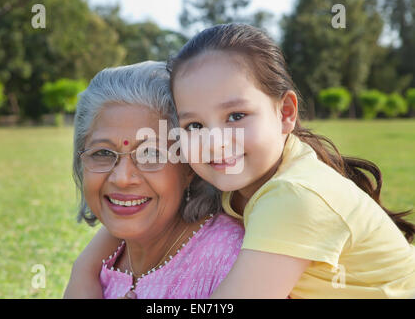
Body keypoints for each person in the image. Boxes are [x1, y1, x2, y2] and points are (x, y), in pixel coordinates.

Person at [66, 24, 415, 299]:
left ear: (286, 113)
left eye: (236, 116)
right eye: (196, 125)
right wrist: (84, 267)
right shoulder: (248, 180)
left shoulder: (294, 196)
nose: (215, 143)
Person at [63, 61, 244, 299]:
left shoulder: (231, 260)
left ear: (189, 166)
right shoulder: (103, 261)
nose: (122, 178)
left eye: (150, 154)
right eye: (103, 153)